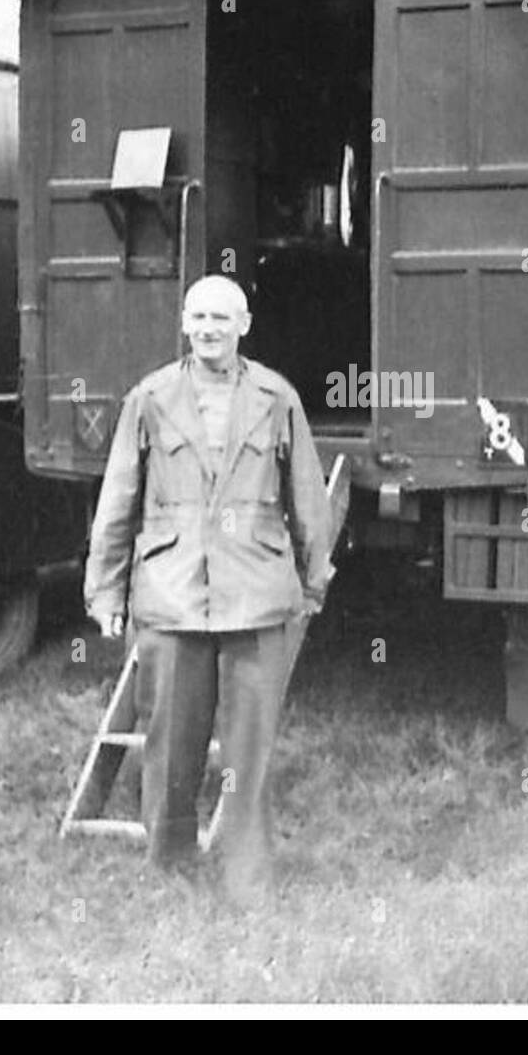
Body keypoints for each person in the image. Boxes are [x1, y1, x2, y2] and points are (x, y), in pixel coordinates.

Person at [84, 274, 333, 904]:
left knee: (248, 753)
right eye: (196, 316)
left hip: (255, 594)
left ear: (244, 325)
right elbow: (118, 499)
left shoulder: (277, 398)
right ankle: (168, 867)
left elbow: (307, 493)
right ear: (185, 324)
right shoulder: (150, 398)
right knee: (170, 743)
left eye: (220, 318)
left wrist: (313, 578)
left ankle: (247, 880)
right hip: (172, 596)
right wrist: (105, 592)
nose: (206, 329)